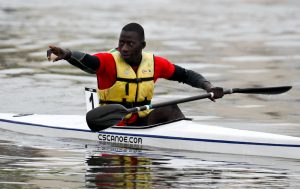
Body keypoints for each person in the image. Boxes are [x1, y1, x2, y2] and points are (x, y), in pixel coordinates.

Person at [47, 22, 224, 126]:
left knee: (170, 108)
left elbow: (186, 75)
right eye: (121, 42)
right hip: (112, 124)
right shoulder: (109, 61)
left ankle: (185, 137)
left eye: (130, 44)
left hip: (141, 122)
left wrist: (209, 87)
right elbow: (89, 61)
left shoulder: (155, 64)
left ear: (142, 45)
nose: (124, 48)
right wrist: (68, 54)